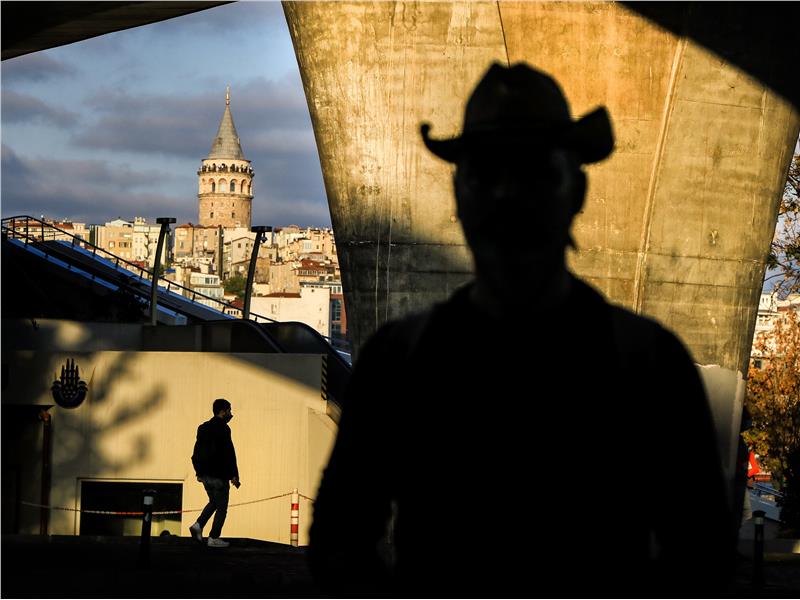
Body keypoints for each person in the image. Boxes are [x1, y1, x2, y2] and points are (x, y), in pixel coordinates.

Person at [308, 62, 737, 596]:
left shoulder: (402, 360)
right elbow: (339, 548)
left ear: (575, 192)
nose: (508, 196)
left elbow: (702, 559)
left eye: (534, 172)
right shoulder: (648, 360)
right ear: (459, 196)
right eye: (487, 174)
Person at [189, 398, 240, 548]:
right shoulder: (224, 429)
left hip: (205, 475)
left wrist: (199, 472)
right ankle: (214, 537)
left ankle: (198, 525)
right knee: (222, 507)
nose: (231, 413)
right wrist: (234, 475)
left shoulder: (203, 428)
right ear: (223, 411)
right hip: (219, 475)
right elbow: (229, 454)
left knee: (214, 502)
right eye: (229, 410)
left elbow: (196, 451)